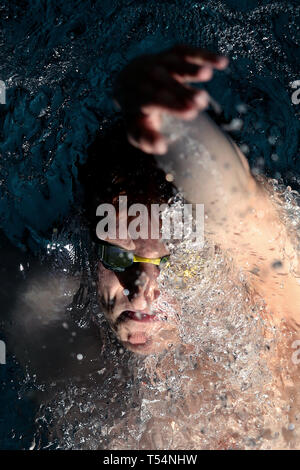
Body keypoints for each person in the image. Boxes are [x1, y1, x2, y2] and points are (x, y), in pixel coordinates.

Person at [84, 44, 300, 356]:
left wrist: (166, 118)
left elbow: (235, 209)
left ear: (227, 261)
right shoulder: (43, 323)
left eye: (181, 266)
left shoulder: (283, 329)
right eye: (118, 255)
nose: (142, 294)